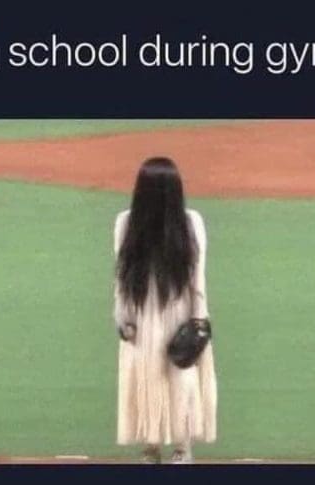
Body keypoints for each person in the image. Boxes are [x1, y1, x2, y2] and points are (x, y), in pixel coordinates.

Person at [113, 157, 217, 464]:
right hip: (173, 314)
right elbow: (198, 281)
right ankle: (174, 450)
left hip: (148, 317)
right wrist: (199, 320)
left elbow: (121, 280)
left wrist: (124, 318)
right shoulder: (184, 223)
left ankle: (160, 449)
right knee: (175, 378)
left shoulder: (130, 223)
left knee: (151, 377)